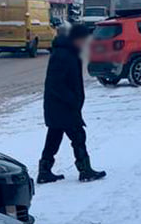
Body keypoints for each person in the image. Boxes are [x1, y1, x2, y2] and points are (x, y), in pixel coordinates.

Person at [39, 22, 106, 184]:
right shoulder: (63, 54)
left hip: (59, 105)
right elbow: (56, 83)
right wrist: (72, 100)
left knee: (54, 137)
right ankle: (85, 170)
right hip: (62, 105)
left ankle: (44, 171)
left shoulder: (69, 52)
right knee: (78, 136)